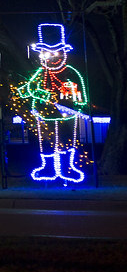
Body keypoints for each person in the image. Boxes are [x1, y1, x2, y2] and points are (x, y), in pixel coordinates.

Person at [16, 23, 88, 183]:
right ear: (42, 55)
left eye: (56, 53)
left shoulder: (71, 72)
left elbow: (80, 92)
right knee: (47, 141)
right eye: (47, 53)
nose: (52, 57)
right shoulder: (40, 73)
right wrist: (45, 95)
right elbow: (30, 88)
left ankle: (67, 168)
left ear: (63, 53)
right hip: (44, 113)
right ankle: (48, 168)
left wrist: (79, 102)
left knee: (67, 139)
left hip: (66, 113)